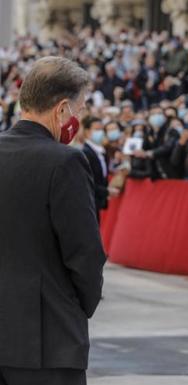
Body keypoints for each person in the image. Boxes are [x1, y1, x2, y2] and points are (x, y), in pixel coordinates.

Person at [0, 56, 106, 385]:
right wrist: (78, 308)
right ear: (61, 109)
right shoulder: (65, 162)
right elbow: (85, 252)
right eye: (80, 107)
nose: (79, 117)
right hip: (46, 339)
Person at [81, 116, 120, 221]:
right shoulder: (85, 153)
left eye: (102, 129)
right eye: (97, 129)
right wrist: (106, 191)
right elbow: (86, 182)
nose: (101, 132)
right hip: (88, 204)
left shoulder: (102, 152)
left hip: (97, 203)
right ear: (87, 132)